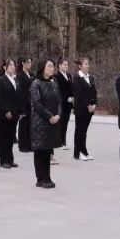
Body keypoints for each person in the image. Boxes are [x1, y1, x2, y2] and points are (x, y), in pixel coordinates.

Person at [29, 59, 61, 189]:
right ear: (43, 68)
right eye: (49, 66)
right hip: (40, 122)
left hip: (52, 121)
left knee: (48, 150)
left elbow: (59, 101)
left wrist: (58, 115)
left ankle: (47, 177)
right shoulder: (36, 83)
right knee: (40, 150)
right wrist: (49, 116)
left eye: (53, 66)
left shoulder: (54, 82)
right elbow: (37, 104)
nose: (52, 68)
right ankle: (40, 178)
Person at [0, 58, 22, 169]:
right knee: (4, 138)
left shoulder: (15, 79)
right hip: (4, 114)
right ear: (4, 67)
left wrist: (20, 111)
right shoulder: (1, 80)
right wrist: (6, 110)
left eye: (14, 65)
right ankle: (3, 160)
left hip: (15, 113)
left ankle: (10, 159)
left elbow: (18, 96)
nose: (13, 67)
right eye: (10, 65)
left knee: (11, 137)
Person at [72, 58, 98, 162]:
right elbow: (79, 94)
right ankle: (78, 153)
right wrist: (88, 105)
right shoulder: (77, 78)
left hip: (90, 109)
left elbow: (94, 92)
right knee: (79, 131)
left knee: (84, 131)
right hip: (81, 108)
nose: (88, 66)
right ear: (80, 66)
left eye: (88, 64)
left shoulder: (90, 77)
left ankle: (84, 151)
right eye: (85, 64)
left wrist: (94, 104)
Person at [54, 59, 74, 155]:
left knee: (65, 122)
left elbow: (71, 88)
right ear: (59, 65)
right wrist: (66, 98)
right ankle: (59, 142)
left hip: (69, 103)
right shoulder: (56, 76)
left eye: (67, 64)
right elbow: (58, 90)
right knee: (60, 123)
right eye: (64, 64)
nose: (66, 66)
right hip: (61, 103)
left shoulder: (69, 75)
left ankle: (63, 141)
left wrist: (72, 97)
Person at [17, 57, 34, 153]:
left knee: (30, 124)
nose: (30, 64)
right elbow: (20, 92)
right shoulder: (20, 75)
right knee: (23, 124)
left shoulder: (31, 74)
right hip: (24, 102)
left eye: (30, 62)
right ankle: (23, 145)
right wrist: (21, 107)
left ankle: (29, 144)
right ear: (23, 63)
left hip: (31, 102)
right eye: (28, 62)